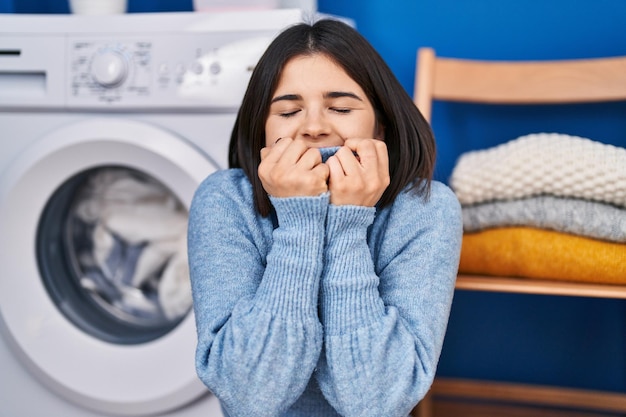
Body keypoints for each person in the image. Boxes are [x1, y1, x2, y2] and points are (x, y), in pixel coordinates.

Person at [187, 18, 462, 417]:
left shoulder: (426, 209)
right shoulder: (224, 201)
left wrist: (348, 223)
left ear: (380, 127)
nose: (313, 127)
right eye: (288, 111)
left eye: (341, 108)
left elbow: (377, 402)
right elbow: (249, 397)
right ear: (261, 131)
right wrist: (300, 222)